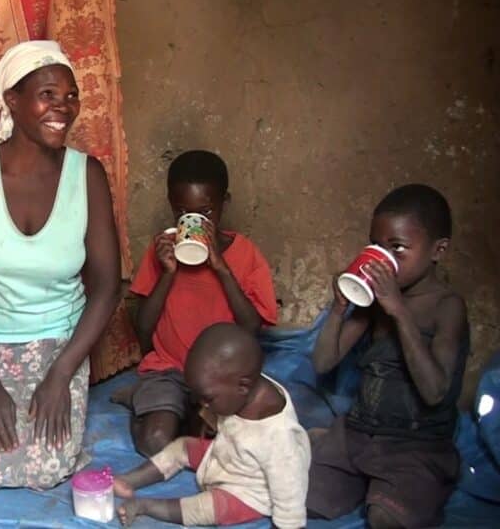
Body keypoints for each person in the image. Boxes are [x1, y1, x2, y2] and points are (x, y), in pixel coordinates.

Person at [0, 40, 121, 490]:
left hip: (60, 343)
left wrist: (61, 374)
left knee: (43, 471)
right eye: (48, 94)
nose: (64, 107)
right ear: (12, 102)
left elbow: (108, 286)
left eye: (71, 95)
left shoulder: (87, 175)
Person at [307, 184, 468, 529]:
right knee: (302, 499)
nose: (385, 258)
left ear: (438, 250)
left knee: (386, 518)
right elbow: (322, 363)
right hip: (357, 434)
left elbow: (435, 391)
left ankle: (402, 489)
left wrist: (400, 312)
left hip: (414, 445)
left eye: (397, 248)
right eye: (376, 245)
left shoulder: (446, 307)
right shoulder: (374, 303)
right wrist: (339, 309)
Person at [113, 150, 278, 456]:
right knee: (156, 443)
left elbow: (252, 327)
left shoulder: (246, 255)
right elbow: (143, 327)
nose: (195, 222)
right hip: (168, 369)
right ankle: (143, 400)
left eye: (206, 213)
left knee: (222, 443)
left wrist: (221, 267)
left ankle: (181, 411)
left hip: (221, 375)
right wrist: (167, 273)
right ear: (171, 207)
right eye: (183, 214)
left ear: (224, 203)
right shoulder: (161, 252)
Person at [114, 323, 310, 528]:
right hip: (226, 454)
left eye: (208, 398)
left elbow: (290, 499)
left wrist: (288, 524)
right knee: (183, 446)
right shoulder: (240, 389)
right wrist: (210, 419)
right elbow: (227, 420)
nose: (203, 404)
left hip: (246, 493)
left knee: (209, 507)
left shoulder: (279, 437)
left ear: (243, 386)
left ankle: (146, 506)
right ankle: (129, 480)